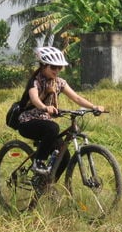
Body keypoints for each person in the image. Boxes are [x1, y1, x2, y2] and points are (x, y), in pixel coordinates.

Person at [15, 46, 105, 174]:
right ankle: (38, 162)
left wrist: (94, 107)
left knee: (64, 157)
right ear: (43, 66)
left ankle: (46, 187)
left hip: (45, 123)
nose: (56, 70)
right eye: (53, 67)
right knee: (53, 128)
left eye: (59, 67)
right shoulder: (35, 82)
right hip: (28, 122)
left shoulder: (60, 82)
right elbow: (34, 99)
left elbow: (77, 98)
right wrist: (45, 107)